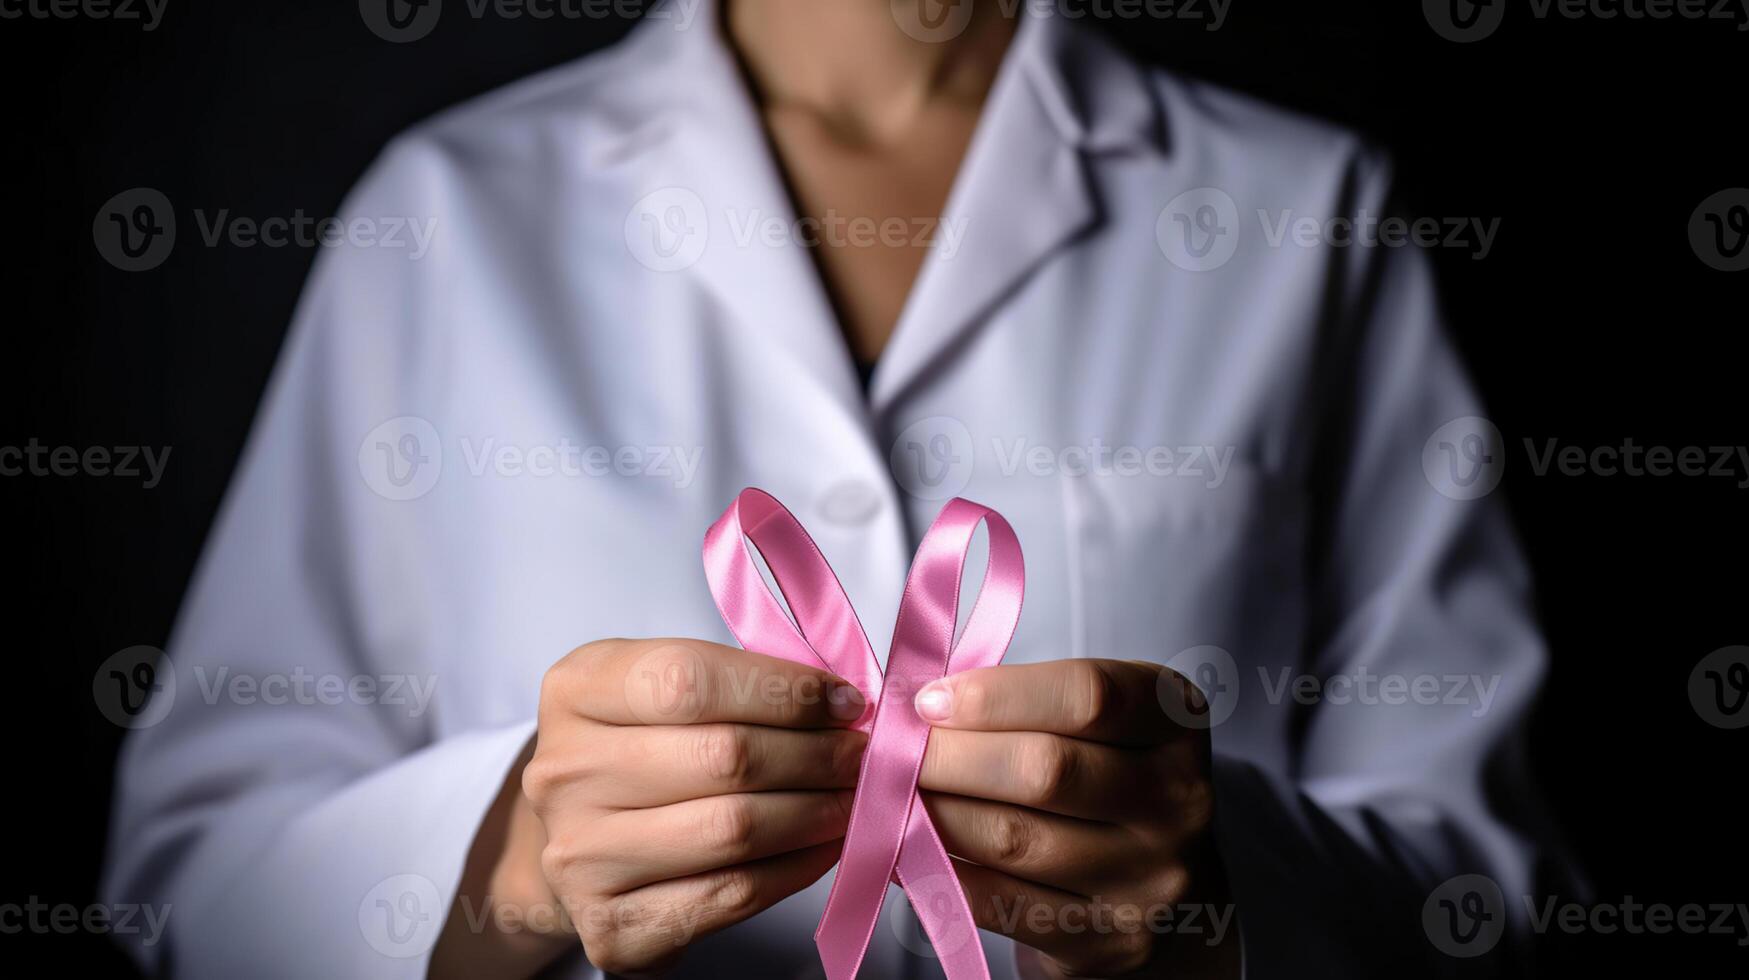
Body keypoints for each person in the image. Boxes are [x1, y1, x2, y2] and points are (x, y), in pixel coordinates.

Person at [103, 0, 1565, 977]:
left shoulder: (1302, 212)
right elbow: (194, 874)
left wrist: (1232, 893)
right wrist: (510, 859)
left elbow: (1490, 894)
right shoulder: (450, 208)